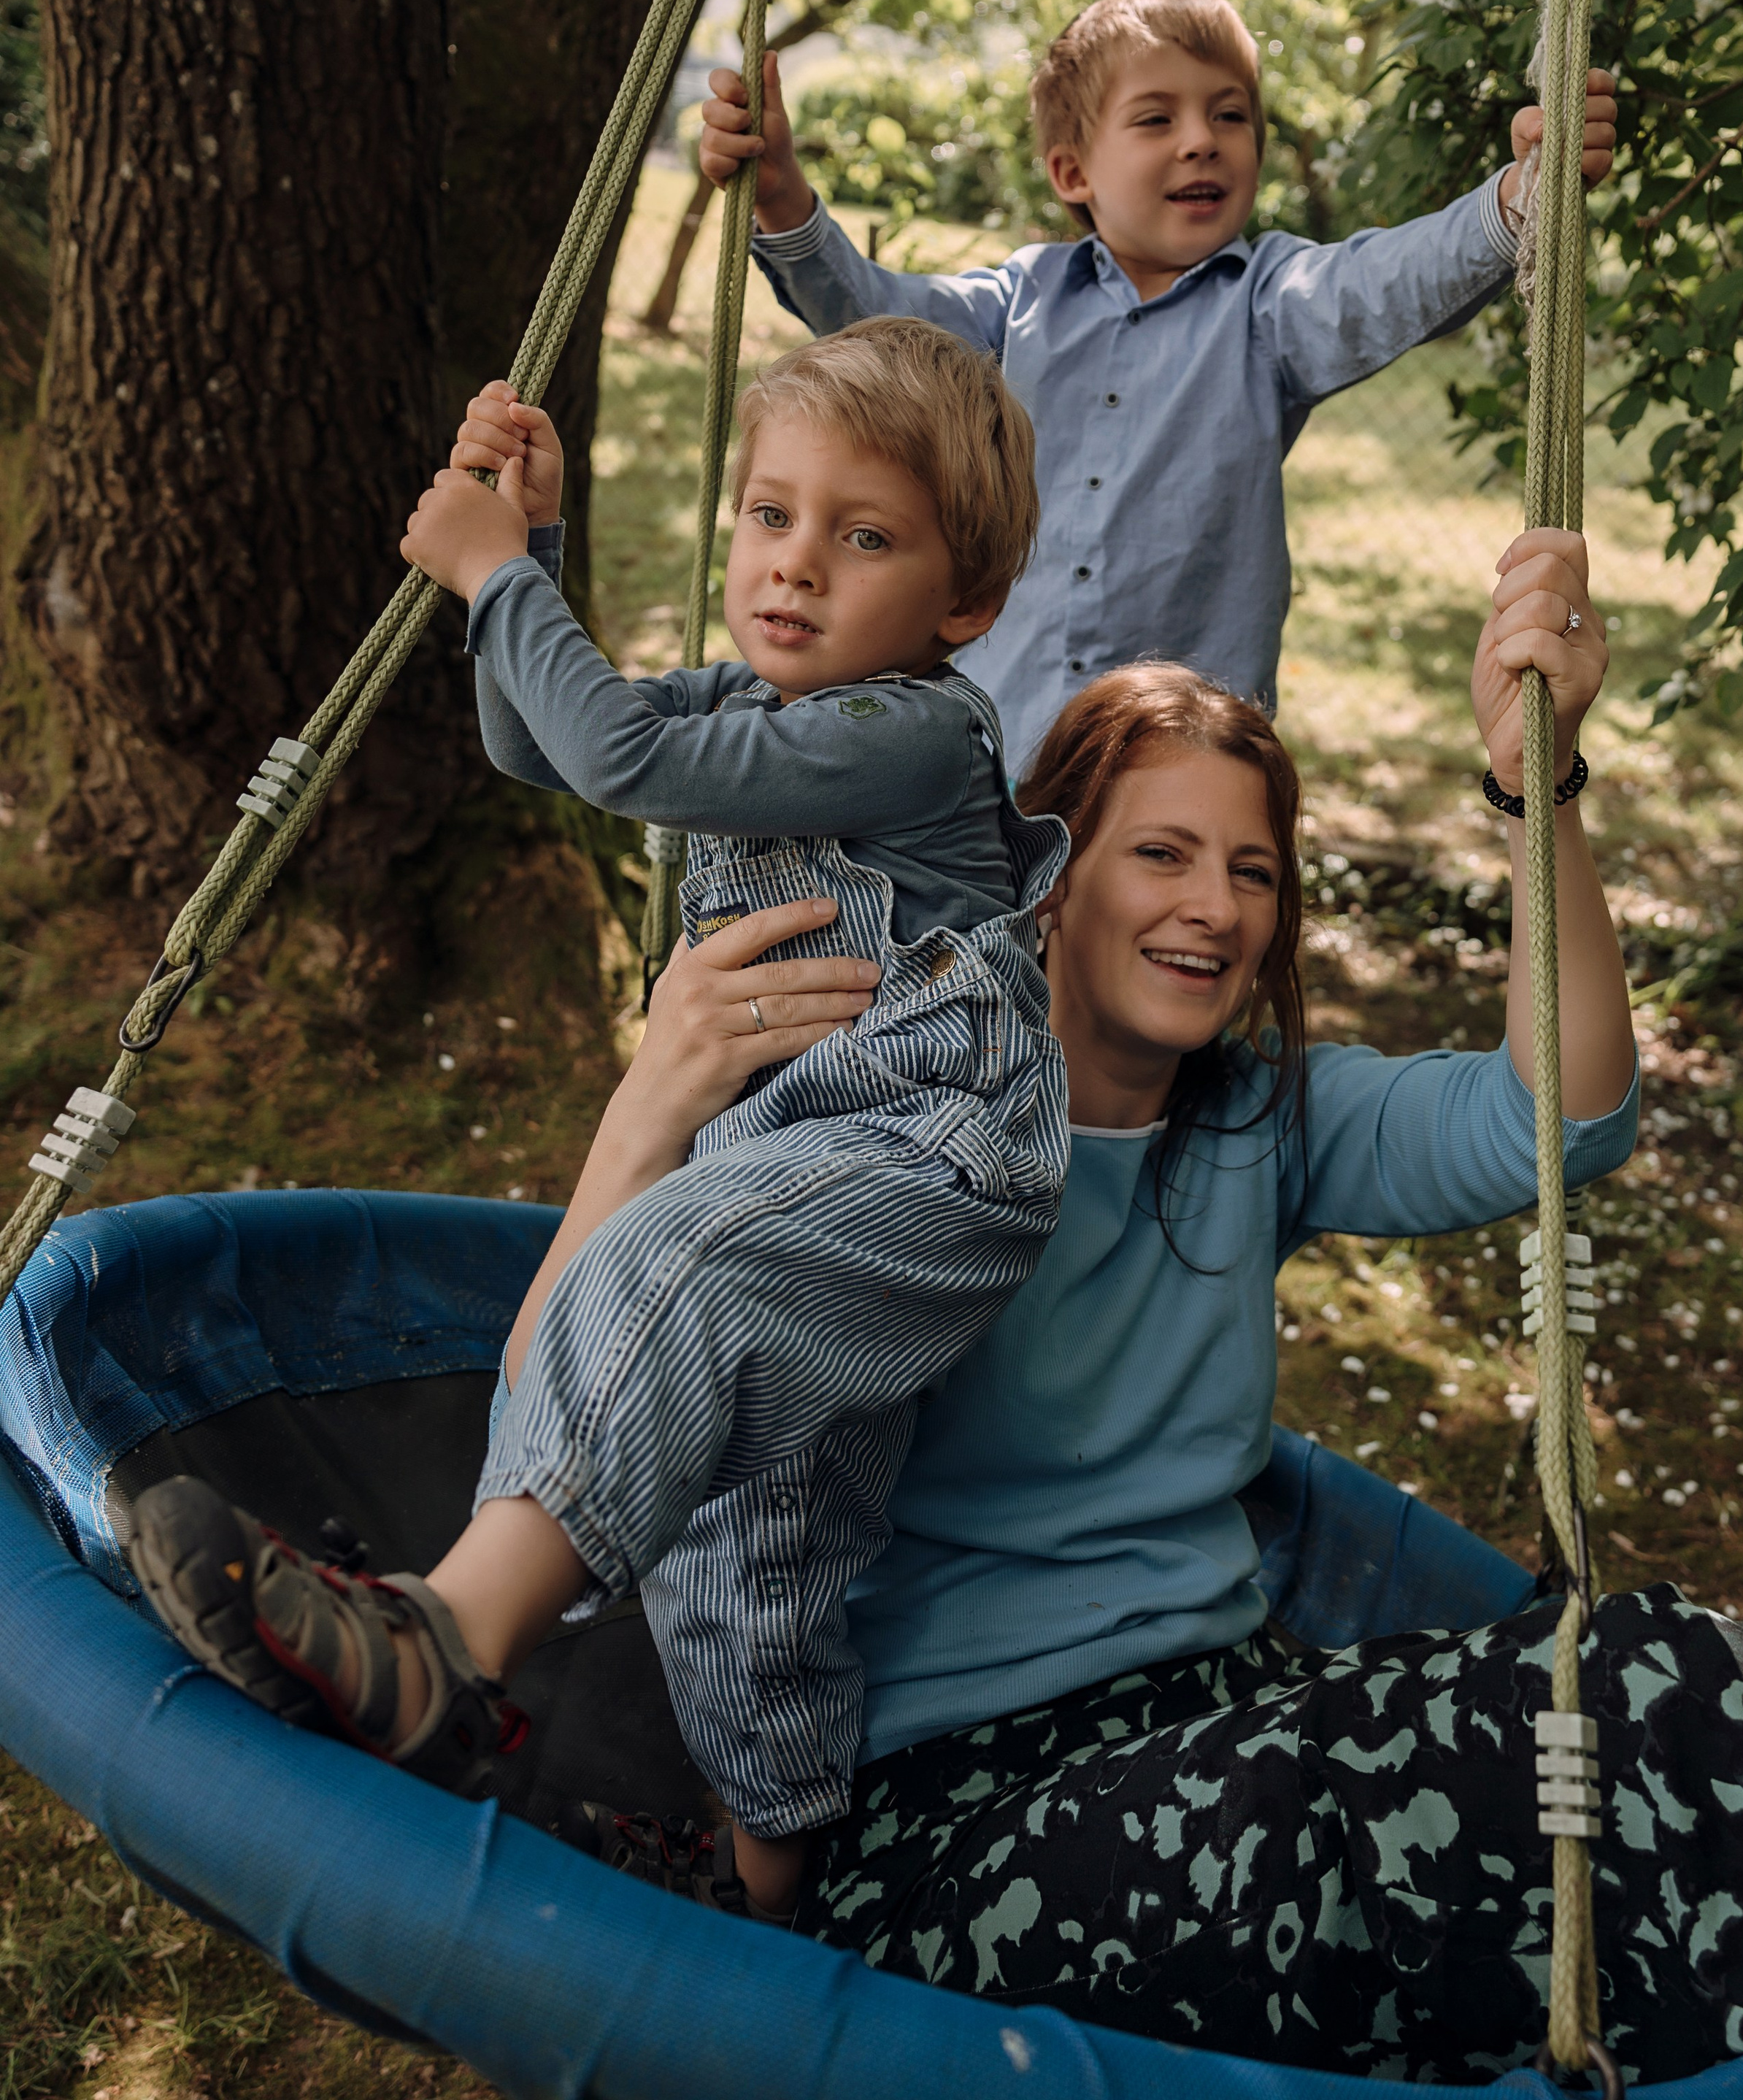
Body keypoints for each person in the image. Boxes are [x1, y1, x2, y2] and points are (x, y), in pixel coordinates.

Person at [558, 528, 1743, 2079]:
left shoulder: (1254, 1125)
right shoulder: (892, 1130)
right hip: (955, 1833)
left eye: (1252, 869)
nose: (1216, 906)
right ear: (1043, 877)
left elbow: (1563, 1114)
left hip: (1233, 1730)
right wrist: (651, 1110)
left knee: (1631, 1718)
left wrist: (1538, 790)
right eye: (1160, 853)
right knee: (1589, 1717)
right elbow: (568, 1393)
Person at [126, 316, 1074, 1904]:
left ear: (961, 605)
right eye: (769, 517)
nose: (794, 568)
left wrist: (501, 575)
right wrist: (541, 553)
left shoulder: (913, 731)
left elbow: (614, 751)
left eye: (862, 538)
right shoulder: (755, 698)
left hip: (930, 1149)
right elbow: (537, 742)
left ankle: (446, 1642)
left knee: (674, 1257)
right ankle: (774, 1912)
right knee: (745, 1569)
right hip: (790, 1175)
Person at [699, 0, 1621, 775]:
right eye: (1156, 119)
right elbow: (873, 315)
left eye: (1230, 116)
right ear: (1073, 172)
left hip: (1178, 771)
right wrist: (781, 194)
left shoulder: (1268, 307)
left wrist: (1516, 200)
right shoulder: (1012, 305)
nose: (1201, 141)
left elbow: (1382, 285)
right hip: (995, 746)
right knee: (995, 968)